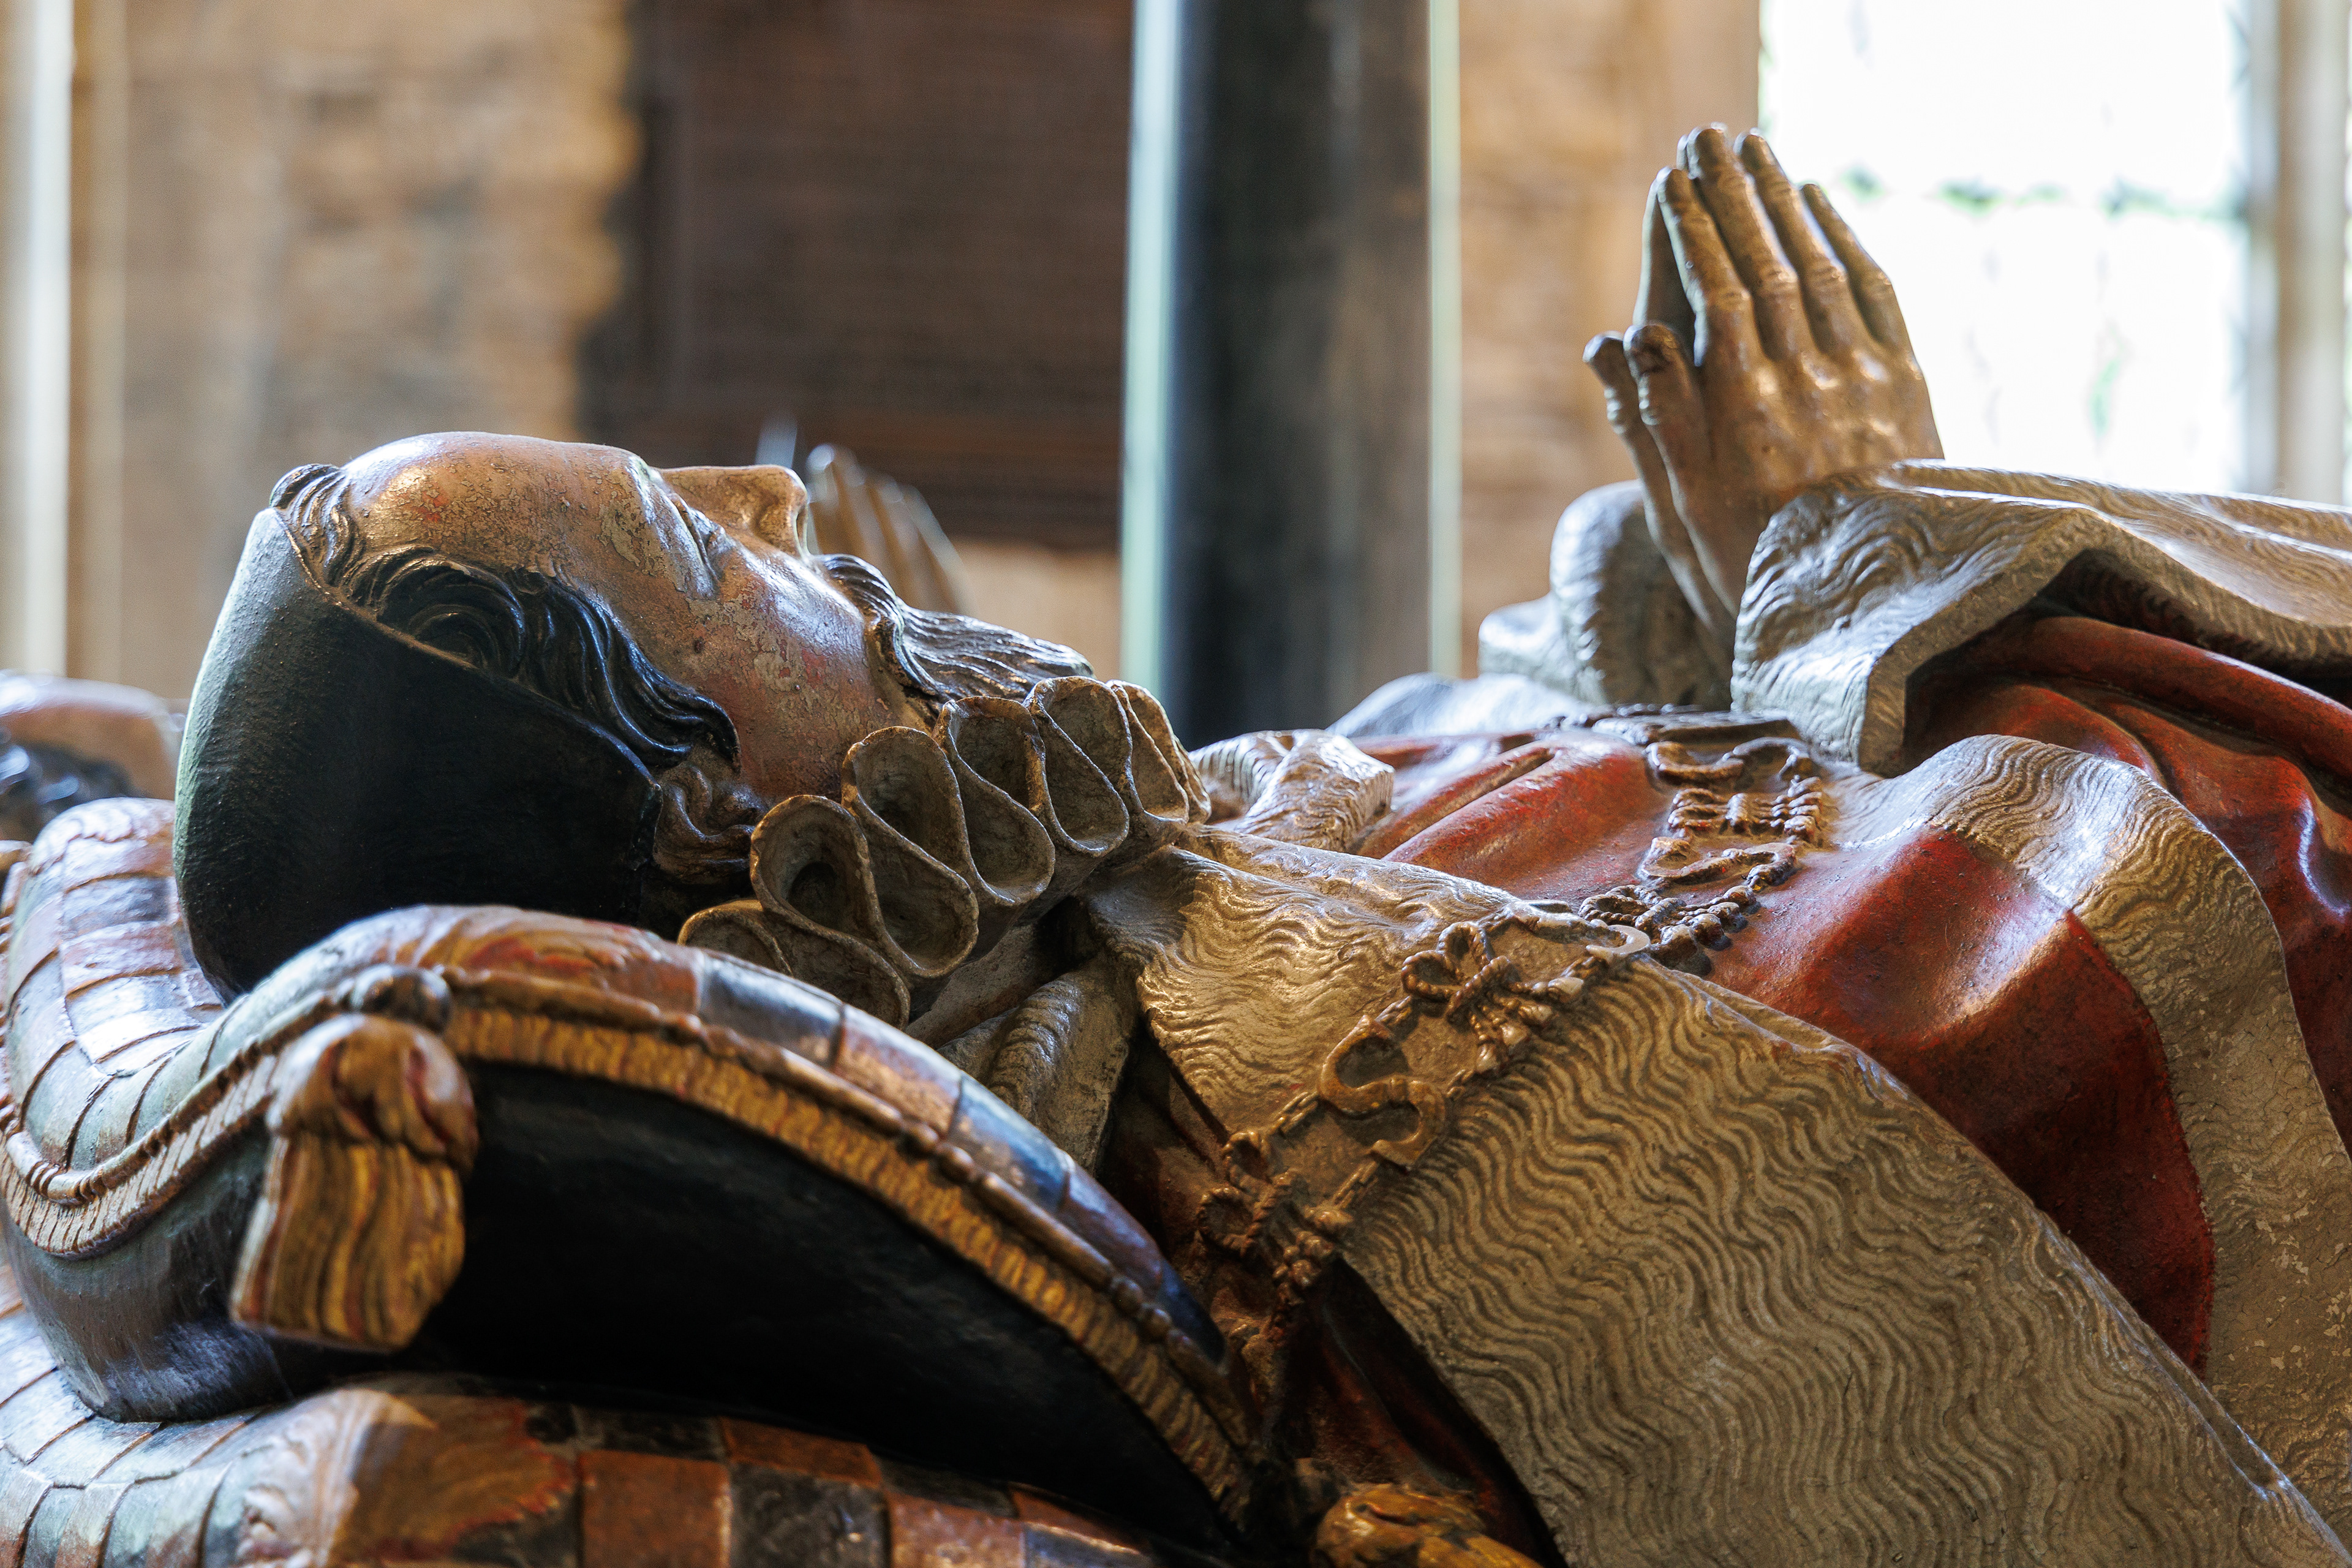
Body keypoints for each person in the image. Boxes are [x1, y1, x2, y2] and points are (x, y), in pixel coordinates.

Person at [9, 130, 2352, 1564]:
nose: (767, 492)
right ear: (735, 811)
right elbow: (2145, 915)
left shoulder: (1112, 932)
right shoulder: (1317, 1117)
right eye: (692, 551)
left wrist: (1698, 588)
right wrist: (1858, 545)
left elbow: (1504, 769)